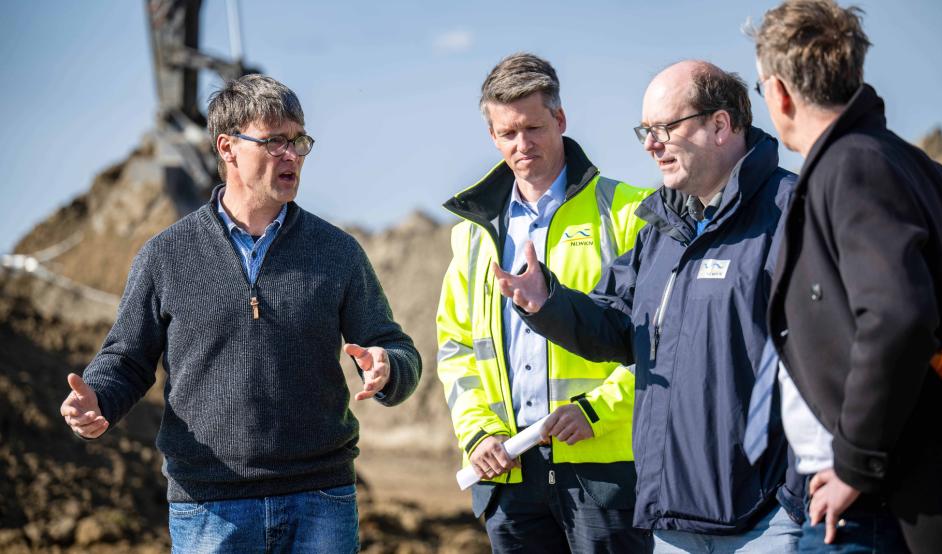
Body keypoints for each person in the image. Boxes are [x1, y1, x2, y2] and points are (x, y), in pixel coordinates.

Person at [59, 74, 421, 553]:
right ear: (227, 147)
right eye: (274, 142)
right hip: (209, 508)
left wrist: (387, 365)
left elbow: (398, 349)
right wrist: (97, 399)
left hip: (320, 500)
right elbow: (127, 358)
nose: (291, 155)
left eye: (298, 141)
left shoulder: (338, 253)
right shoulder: (165, 256)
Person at [494, 60, 805, 552]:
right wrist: (547, 302)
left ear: (720, 125)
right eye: (645, 130)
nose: (649, 144)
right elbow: (617, 328)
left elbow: (831, 364)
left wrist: (795, 496)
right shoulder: (660, 230)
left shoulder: (791, 214)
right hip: (672, 521)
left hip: (767, 523)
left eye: (663, 128)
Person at [750, 1, 942, 551]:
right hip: (912, 489)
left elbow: (897, 316)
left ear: (780, 92)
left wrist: (855, 464)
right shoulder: (925, 170)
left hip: (871, 507)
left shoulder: (851, 165)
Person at [436, 52, 653, 552]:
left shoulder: (627, 213)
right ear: (492, 136)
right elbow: (456, 349)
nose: (521, 144)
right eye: (507, 133)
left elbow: (656, 340)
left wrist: (598, 412)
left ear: (560, 119)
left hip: (604, 474)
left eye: (533, 127)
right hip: (509, 478)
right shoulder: (473, 235)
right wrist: (479, 435)